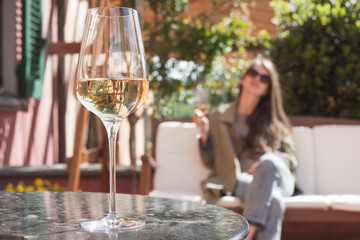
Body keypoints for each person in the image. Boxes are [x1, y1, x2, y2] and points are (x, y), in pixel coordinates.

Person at [193, 55, 299, 240]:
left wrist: (265, 164)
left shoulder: (276, 122)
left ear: (267, 89)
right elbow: (210, 161)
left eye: (264, 78)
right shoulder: (219, 116)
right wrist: (204, 135)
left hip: (279, 179)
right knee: (273, 200)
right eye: (253, 73)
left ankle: (247, 235)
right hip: (241, 180)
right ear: (243, 79)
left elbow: (292, 159)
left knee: (268, 162)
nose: (257, 79)